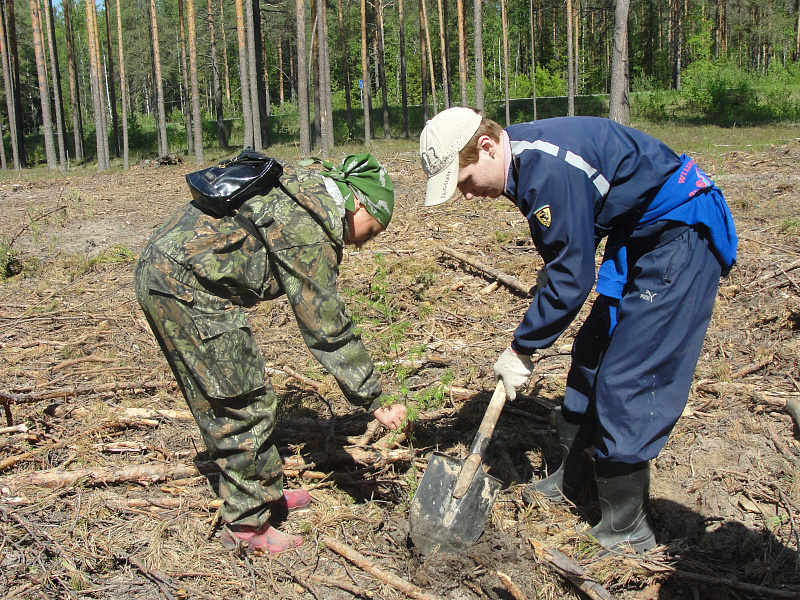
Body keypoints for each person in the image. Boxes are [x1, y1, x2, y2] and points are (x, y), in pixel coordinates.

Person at [420, 108, 737, 553]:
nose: (467, 196)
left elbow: (573, 280)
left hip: (679, 233)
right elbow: (568, 241)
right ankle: (575, 478)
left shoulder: (545, 165)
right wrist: (554, 271)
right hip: (638, 233)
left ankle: (627, 526)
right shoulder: (522, 164)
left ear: (487, 148)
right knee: (592, 352)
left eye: (465, 180)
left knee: (629, 374)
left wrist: (521, 347)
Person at [134, 153, 407, 556]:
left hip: (179, 278)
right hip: (180, 288)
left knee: (255, 395)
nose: (366, 241)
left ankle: (268, 493)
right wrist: (373, 399)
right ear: (360, 204)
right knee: (239, 403)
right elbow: (324, 323)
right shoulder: (310, 228)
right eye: (373, 230)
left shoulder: (308, 193)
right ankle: (247, 526)